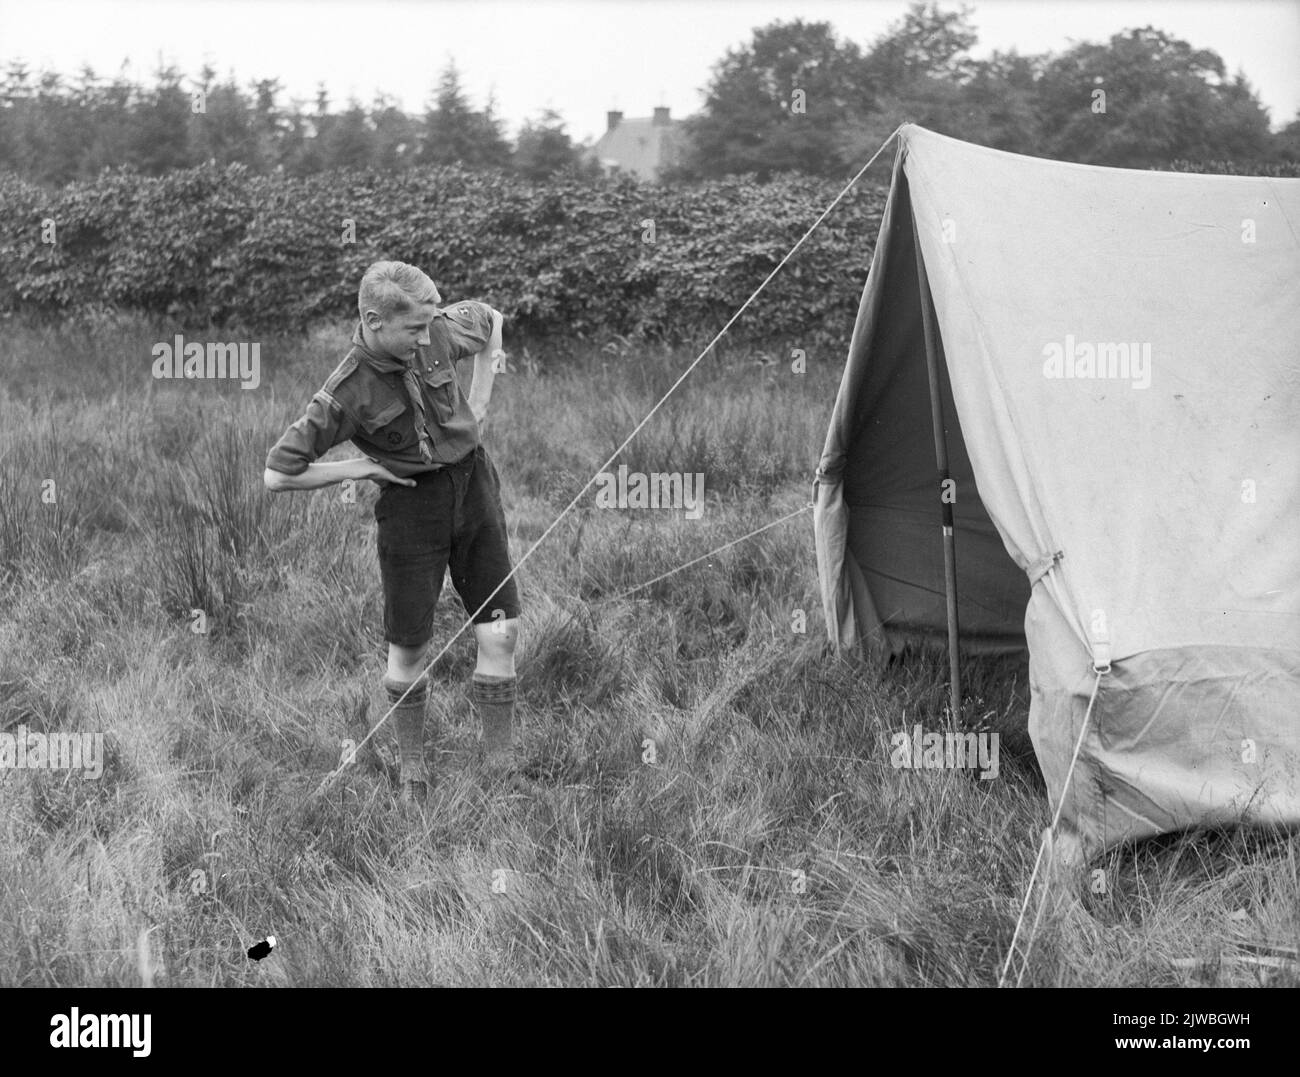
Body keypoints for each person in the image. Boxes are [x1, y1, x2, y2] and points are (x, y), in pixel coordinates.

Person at [263, 260, 521, 804]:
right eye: (415, 330)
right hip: (411, 510)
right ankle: (414, 775)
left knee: (500, 631)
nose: (430, 337)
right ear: (375, 321)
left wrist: (480, 401)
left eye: (432, 325)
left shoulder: (439, 327)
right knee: (408, 647)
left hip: (475, 488)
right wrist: (362, 469)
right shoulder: (344, 392)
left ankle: (502, 770)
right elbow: (277, 472)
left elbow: (493, 318)